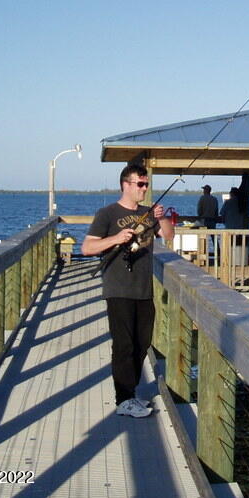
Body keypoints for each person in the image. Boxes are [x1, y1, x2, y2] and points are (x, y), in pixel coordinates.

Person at [81, 163, 174, 418]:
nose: (144, 189)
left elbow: (168, 235)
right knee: (123, 345)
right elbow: (87, 248)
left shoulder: (149, 213)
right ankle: (123, 399)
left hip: (144, 288)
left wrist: (161, 216)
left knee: (142, 342)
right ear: (126, 184)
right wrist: (116, 239)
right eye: (140, 184)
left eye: (147, 184)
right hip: (118, 287)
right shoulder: (107, 214)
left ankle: (130, 393)